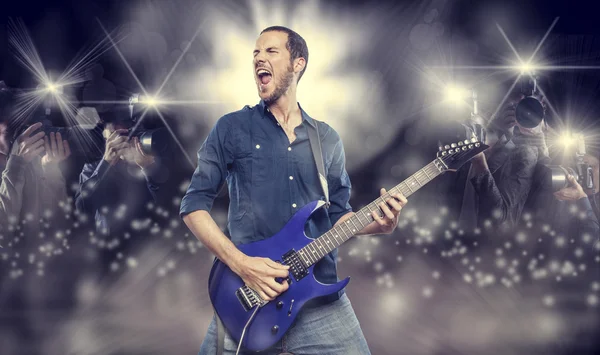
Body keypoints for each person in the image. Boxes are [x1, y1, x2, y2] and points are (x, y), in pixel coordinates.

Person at [180, 26, 407, 355]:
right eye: (255, 53)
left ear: (298, 64)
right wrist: (243, 265)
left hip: (319, 303)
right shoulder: (231, 128)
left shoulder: (326, 139)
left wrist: (379, 224)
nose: (259, 58)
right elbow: (193, 206)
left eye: (270, 51)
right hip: (249, 298)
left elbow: (339, 216)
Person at [75, 113, 169, 238]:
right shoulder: (93, 166)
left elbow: (167, 206)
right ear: (105, 135)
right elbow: (83, 207)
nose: (122, 140)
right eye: (116, 135)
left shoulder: (148, 159)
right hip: (112, 244)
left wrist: (148, 167)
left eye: (126, 133)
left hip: (149, 242)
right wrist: (106, 164)